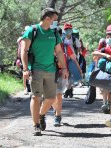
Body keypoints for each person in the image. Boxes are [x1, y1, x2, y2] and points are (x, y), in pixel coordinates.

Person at [21, 8, 68, 136]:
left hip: (51, 69)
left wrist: (64, 68)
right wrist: (25, 69)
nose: (55, 22)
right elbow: (24, 51)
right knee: (36, 97)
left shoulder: (54, 33)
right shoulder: (33, 31)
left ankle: (41, 115)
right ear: (47, 18)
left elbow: (59, 52)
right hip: (36, 69)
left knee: (51, 98)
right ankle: (36, 125)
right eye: (54, 19)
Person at [52, 28, 80, 126]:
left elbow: (74, 59)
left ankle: (58, 116)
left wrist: (79, 71)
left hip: (62, 73)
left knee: (59, 95)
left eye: (58, 35)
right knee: (50, 97)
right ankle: (56, 109)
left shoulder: (65, 47)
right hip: (48, 73)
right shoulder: (47, 47)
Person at [62, 23, 82, 98]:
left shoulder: (75, 39)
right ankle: (69, 90)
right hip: (63, 59)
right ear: (64, 30)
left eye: (69, 29)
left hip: (72, 59)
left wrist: (75, 54)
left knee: (71, 75)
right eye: (66, 29)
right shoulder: (62, 39)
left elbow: (79, 48)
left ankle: (68, 90)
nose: (68, 30)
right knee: (67, 75)